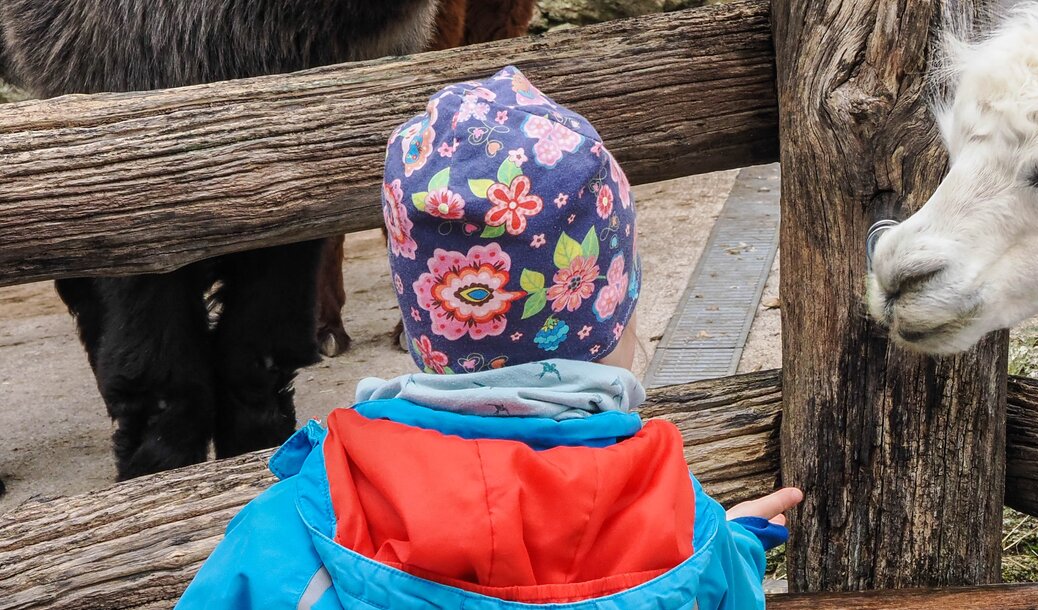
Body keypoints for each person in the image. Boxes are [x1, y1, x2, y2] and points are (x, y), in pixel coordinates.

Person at [176, 66, 801, 609]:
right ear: (614, 317)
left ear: (425, 327)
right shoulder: (686, 532)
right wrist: (732, 547)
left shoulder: (285, 535)